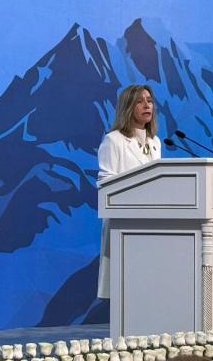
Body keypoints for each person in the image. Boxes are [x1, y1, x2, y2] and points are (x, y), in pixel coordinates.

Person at [96, 84, 161, 299]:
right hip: (125, 223)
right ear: (127, 107)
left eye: (149, 100)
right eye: (140, 101)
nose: (146, 105)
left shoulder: (155, 142)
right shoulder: (113, 140)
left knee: (149, 286)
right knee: (126, 289)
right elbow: (105, 182)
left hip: (152, 221)